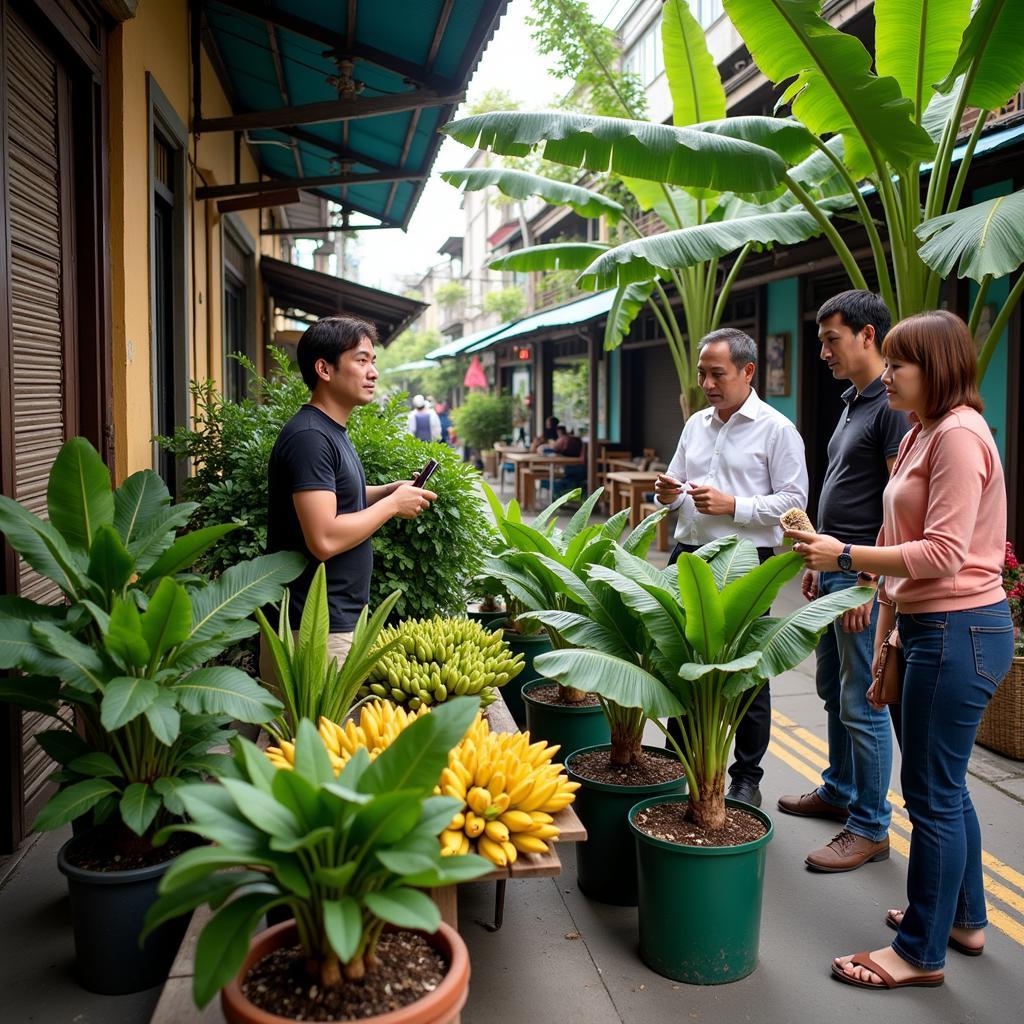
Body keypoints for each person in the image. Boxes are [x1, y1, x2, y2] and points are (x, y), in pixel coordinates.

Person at [787, 310, 1013, 990]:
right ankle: (963, 918)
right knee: (946, 791)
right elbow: (906, 552)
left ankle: (919, 952)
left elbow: (943, 554)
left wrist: (844, 554)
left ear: (936, 369)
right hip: (925, 629)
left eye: (901, 365)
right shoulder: (922, 432)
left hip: (960, 628)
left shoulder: (962, 437)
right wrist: (887, 641)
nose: (888, 374)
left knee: (931, 796)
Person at [778, 291, 910, 873]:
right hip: (834, 569)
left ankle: (870, 825)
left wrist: (868, 584)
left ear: (867, 335)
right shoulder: (853, 401)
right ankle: (839, 790)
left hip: (860, 576)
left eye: (832, 339)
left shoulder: (892, 408)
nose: (823, 350)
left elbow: (897, 508)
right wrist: (817, 563)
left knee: (863, 704)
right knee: (833, 691)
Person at [655, 328, 809, 808]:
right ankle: (675, 761)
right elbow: (678, 480)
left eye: (716, 373)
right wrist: (669, 493)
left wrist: (734, 506)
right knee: (678, 662)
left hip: (745, 565)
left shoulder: (777, 429)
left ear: (747, 372)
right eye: (702, 372)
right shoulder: (696, 423)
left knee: (748, 674)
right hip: (690, 558)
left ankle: (746, 776)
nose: (707, 382)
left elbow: (794, 502)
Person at [265, 316, 437, 671]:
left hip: (333, 622)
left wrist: (387, 491)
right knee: (315, 729)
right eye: (361, 360)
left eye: (373, 361)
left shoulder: (330, 431)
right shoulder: (310, 437)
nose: (373, 372)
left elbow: (334, 497)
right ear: (324, 369)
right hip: (313, 629)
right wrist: (392, 505)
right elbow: (324, 539)